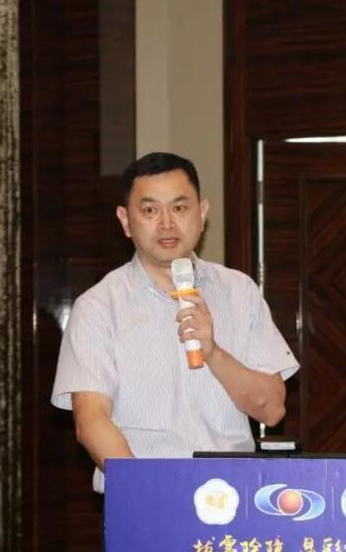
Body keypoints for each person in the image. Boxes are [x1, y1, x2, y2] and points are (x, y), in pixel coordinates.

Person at [50, 152, 299, 492]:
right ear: (125, 220)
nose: (166, 224)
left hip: (232, 496)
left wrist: (213, 353)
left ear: (202, 213)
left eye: (180, 208)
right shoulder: (98, 307)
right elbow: (91, 421)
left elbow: (271, 410)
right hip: (145, 497)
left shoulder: (239, 291)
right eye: (150, 211)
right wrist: (150, 492)